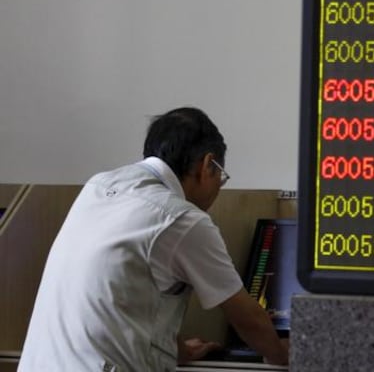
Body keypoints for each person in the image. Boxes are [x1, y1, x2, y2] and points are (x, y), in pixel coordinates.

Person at [19, 107, 289, 371]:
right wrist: (282, 355)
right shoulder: (180, 218)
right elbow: (245, 317)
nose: (219, 186)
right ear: (208, 165)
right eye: (221, 176)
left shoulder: (98, 187)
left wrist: (173, 348)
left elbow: (111, 302)